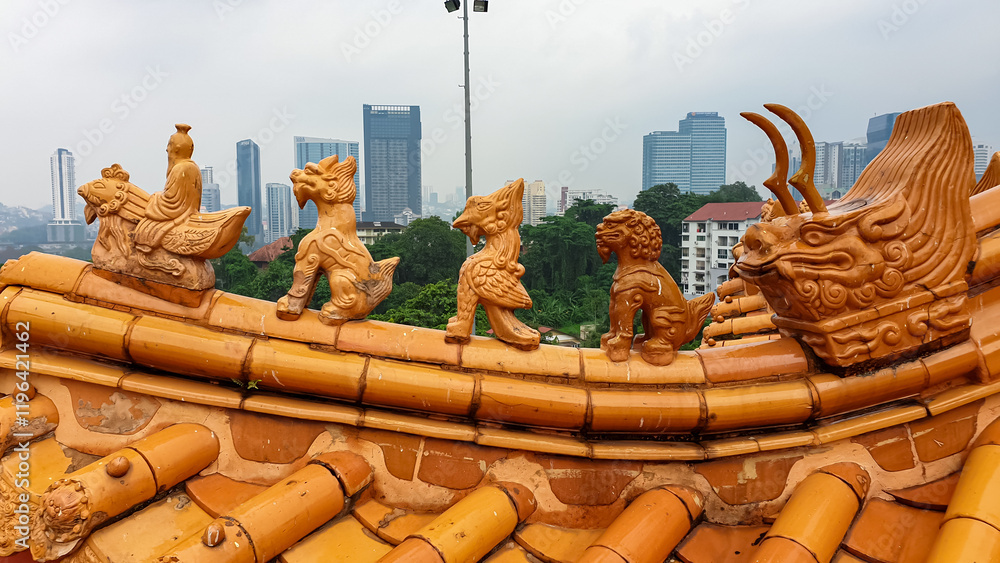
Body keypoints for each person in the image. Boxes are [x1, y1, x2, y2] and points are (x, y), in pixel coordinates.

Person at [133, 124, 202, 251]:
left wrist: (155, 197)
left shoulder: (181, 168)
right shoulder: (193, 167)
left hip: (180, 217)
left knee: (144, 231)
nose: (166, 149)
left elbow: (172, 202)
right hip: (186, 215)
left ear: (177, 148)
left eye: (169, 145)